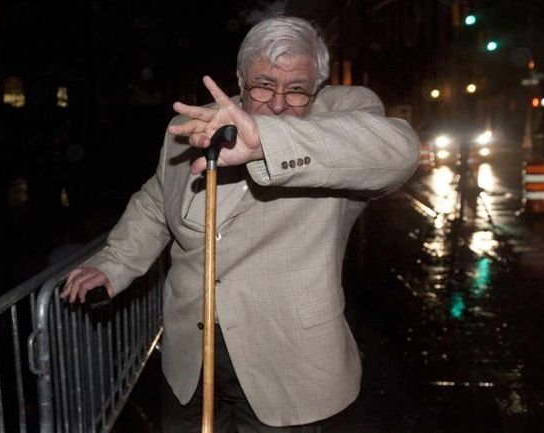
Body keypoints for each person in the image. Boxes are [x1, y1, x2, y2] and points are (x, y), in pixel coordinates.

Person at [61, 15, 420, 432]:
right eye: (264, 85)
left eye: (297, 89)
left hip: (287, 368)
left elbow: (399, 153)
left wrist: (265, 141)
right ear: (240, 78)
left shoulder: (343, 116)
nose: (280, 103)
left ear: (317, 87)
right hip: (191, 363)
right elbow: (158, 201)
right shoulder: (196, 123)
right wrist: (113, 264)